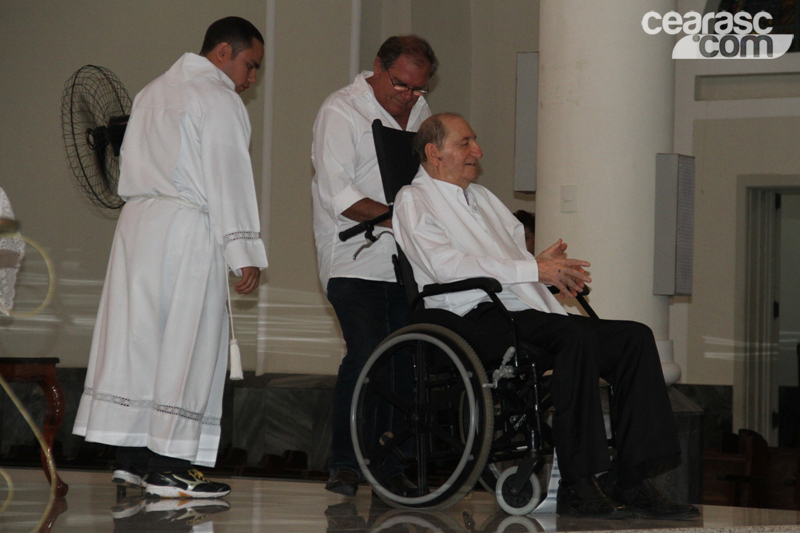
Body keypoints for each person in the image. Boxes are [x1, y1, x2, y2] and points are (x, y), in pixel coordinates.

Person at [392, 113, 700, 520]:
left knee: (635, 338)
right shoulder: (413, 199)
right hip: (471, 316)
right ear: (434, 153)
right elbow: (446, 266)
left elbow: (510, 261)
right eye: (465, 143)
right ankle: (578, 481)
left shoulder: (483, 198)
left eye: (474, 141)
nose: (477, 151)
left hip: (521, 309)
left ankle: (632, 477)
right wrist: (533, 269)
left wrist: (542, 267)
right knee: (575, 337)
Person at [73, 16, 268, 499]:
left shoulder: (152, 90)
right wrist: (243, 248)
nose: (251, 78)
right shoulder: (217, 97)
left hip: (137, 229)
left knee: (140, 343)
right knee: (187, 343)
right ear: (223, 52)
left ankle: (132, 462)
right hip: (186, 230)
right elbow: (228, 176)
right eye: (250, 64)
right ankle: (169, 467)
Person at [311, 35, 438, 496]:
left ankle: (389, 465)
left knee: (403, 361)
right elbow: (338, 195)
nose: (409, 97)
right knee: (366, 355)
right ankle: (345, 463)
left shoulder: (420, 112)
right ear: (378, 68)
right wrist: (398, 217)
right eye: (401, 85)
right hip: (353, 259)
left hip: (405, 262)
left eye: (419, 89)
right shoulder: (341, 110)